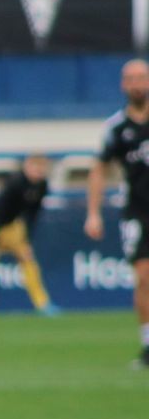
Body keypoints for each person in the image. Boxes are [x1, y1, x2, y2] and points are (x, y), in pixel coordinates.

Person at [86, 58, 149, 367]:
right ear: (124, 85)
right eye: (131, 79)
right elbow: (99, 169)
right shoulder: (116, 127)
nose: (137, 84)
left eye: (142, 77)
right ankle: (148, 346)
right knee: (144, 278)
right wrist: (93, 213)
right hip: (137, 210)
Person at [0, 153, 57, 318]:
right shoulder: (15, 183)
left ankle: (42, 303)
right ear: (27, 167)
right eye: (35, 169)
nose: (38, 173)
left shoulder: (42, 187)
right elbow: (0, 211)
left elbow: (33, 214)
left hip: (12, 224)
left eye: (41, 170)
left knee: (27, 257)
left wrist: (26, 239)